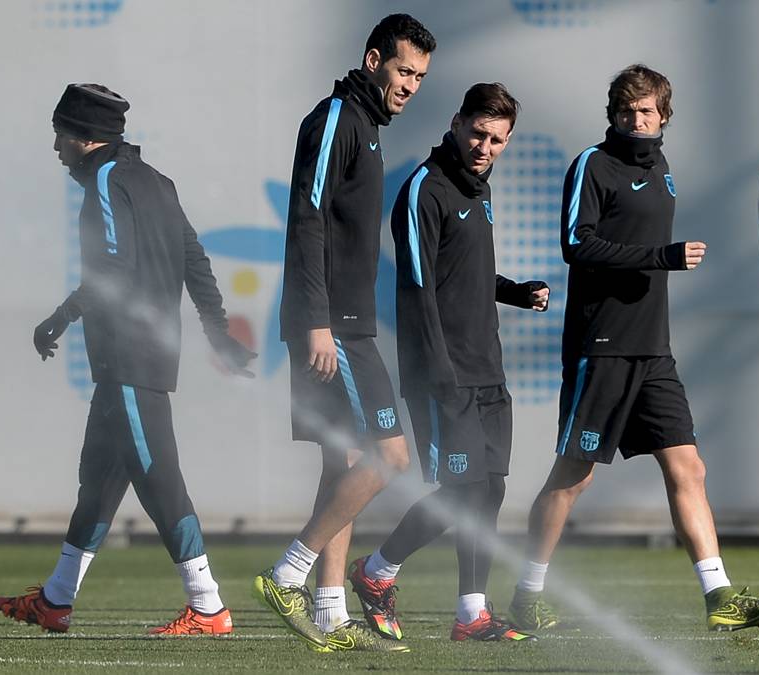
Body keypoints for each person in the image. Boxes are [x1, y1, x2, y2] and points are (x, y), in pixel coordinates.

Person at [507, 65, 759, 633]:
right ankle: (526, 593)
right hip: (603, 344)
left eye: (647, 111)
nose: (636, 120)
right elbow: (576, 243)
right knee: (574, 475)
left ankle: (720, 598)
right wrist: (661, 256)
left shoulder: (661, 167)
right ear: (612, 114)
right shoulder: (593, 165)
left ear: (664, 116)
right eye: (626, 110)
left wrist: (657, 259)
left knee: (688, 466)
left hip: (653, 349)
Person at [0, 83, 257, 636]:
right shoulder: (156, 182)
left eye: (59, 135)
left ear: (83, 138)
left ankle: (208, 606)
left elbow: (112, 267)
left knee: (161, 482)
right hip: (135, 364)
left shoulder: (109, 182)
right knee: (99, 482)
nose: (56, 148)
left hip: (131, 360)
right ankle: (56, 600)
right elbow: (195, 258)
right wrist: (215, 331)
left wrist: (61, 316)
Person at [251, 14, 435, 653]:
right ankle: (287, 574)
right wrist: (315, 322)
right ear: (372, 58)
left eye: (419, 77)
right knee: (390, 458)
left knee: (348, 464)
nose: (411, 85)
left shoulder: (370, 128)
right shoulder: (336, 117)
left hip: (349, 323)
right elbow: (305, 218)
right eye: (404, 70)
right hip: (334, 327)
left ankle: (331, 613)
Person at [348, 83, 548, 644]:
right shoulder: (423, 190)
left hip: (488, 368)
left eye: (497, 139)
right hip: (443, 374)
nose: (485, 146)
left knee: (489, 490)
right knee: (463, 490)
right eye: (479, 133)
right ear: (457, 123)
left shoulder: (479, 189)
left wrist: (514, 291)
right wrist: (440, 373)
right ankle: (375, 571)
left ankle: (471, 615)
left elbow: (466, 278)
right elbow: (417, 288)